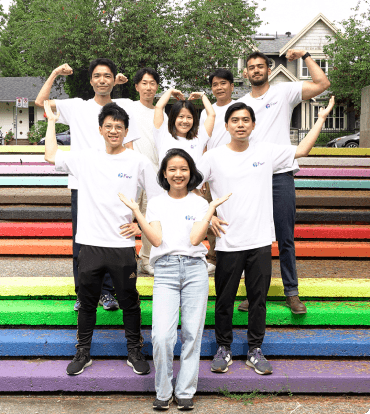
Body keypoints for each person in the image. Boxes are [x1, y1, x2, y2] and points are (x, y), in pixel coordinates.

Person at [196, 97, 335, 375]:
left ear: (253, 125)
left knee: (257, 300)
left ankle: (254, 350)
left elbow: (304, 150)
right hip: (227, 242)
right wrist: (208, 215)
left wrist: (321, 118)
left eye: (245, 120)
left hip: (259, 241)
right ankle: (223, 348)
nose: (240, 124)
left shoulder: (266, 152)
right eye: (235, 120)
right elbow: (190, 186)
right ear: (227, 125)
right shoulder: (213, 157)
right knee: (225, 299)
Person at [43, 100, 162, 376]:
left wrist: (142, 227)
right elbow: (51, 155)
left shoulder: (137, 161)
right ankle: (83, 351)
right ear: (100, 129)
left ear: (126, 131)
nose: (113, 130)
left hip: (121, 247)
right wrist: (51, 121)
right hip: (90, 245)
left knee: (130, 301)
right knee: (86, 302)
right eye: (108, 126)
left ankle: (134, 350)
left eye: (118, 127)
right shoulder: (87, 157)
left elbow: (158, 197)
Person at [119, 148, 231, 411]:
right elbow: (156, 240)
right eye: (172, 169)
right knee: (162, 336)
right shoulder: (157, 202)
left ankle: (184, 391)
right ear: (165, 174)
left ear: (191, 173)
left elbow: (194, 240)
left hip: (194, 270)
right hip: (166, 271)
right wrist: (137, 211)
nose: (178, 174)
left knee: (192, 334)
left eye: (183, 169)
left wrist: (211, 208)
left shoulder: (199, 203)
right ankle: (164, 390)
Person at [35, 58, 141, 312]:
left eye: (107, 76)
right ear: (91, 80)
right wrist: (54, 73)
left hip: (114, 186)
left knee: (112, 239)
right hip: (82, 185)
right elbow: (41, 102)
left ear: (114, 80)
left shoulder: (123, 111)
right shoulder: (77, 107)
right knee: (81, 243)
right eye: (97, 76)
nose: (102, 80)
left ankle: (107, 293)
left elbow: (131, 150)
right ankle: (83, 294)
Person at [236, 50, 331, 314]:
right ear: (245, 73)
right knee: (254, 238)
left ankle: (292, 293)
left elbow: (323, 84)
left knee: (285, 238)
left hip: (280, 174)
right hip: (252, 176)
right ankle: (255, 292)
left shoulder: (283, 92)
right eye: (251, 67)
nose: (256, 70)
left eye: (260, 66)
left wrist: (306, 56)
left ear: (268, 69)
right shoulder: (241, 104)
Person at [130, 67, 169, 276]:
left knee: (150, 218)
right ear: (136, 86)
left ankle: (147, 259)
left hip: (155, 176)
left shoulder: (161, 113)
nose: (148, 87)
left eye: (152, 83)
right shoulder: (128, 108)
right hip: (132, 174)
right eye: (144, 83)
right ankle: (125, 261)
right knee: (126, 218)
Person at [199, 68, 235, 275]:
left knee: (232, 214)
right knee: (210, 213)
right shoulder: (207, 110)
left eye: (223, 83)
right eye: (215, 84)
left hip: (234, 169)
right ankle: (212, 255)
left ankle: (235, 257)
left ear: (231, 85)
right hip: (212, 171)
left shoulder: (240, 108)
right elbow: (203, 141)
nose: (219, 87)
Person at [153, 88, 215, 166]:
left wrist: (202, 96)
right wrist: (170, 91)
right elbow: (158, 107)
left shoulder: (199, 138)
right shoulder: (163, 135)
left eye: (189, 117)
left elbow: (211, 115)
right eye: (181, 116)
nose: (185, 121)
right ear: (174, 118)